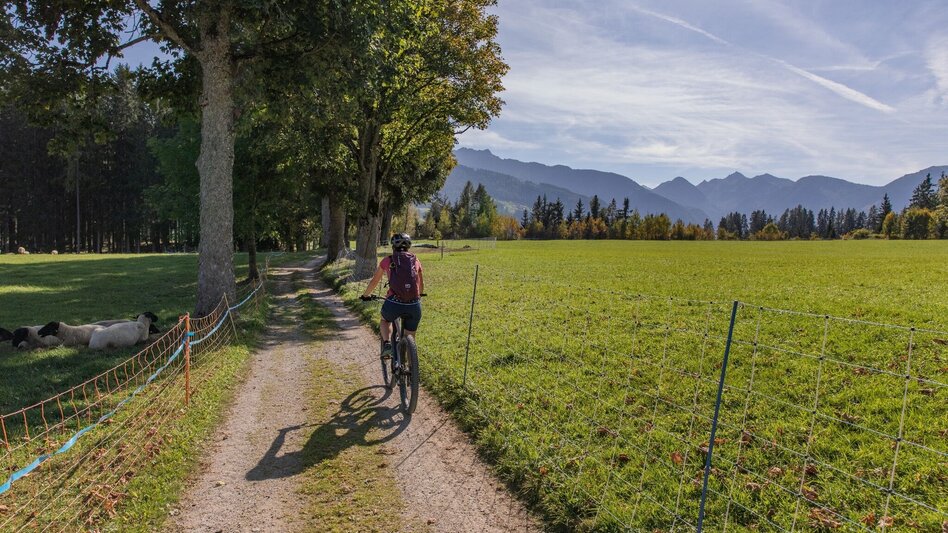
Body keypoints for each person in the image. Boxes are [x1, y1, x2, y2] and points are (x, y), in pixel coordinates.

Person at [360, 233, 425, 360]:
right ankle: (412, 374)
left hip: (394, 303)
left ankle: (387, 344)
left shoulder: (388, 260)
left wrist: (365, 295)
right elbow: (421, 283)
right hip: (414, 305)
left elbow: (375, 281)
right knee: (410, 336)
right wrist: (419, 296)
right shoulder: (416, 260)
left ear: (393, 246)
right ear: (409, 246)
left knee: (385, 320)